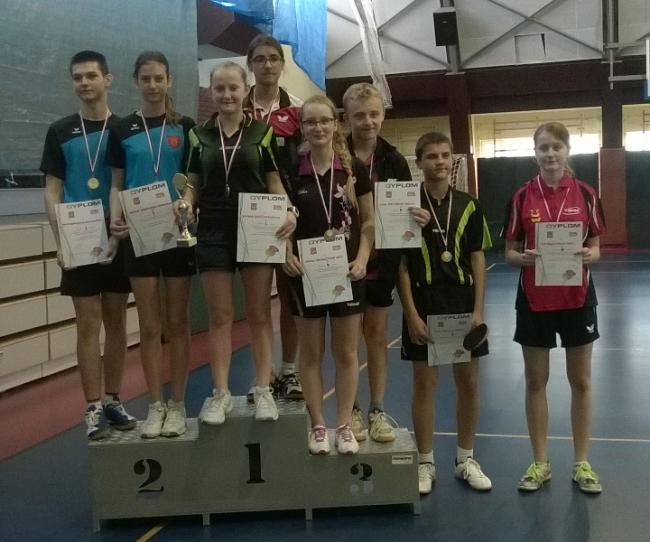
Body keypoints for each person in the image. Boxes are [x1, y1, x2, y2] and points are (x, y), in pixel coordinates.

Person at [179, 61, 296, 424]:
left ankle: (262, 389)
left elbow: (273, 181)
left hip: (257, 229)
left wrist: (289, 210)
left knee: (259, 313)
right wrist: (185, 203)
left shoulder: (262, 133)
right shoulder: (198, 135)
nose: (227, 94)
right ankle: (220, 394)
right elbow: (192, 183)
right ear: (211, 92)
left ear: (246, 89)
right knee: (220, 316)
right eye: (220, 88)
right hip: (213, 229)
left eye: (233, 87)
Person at [503, 121, 605, 494]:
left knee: (581, 381)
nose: (550, 154)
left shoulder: (586, 194)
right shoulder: (521, 197)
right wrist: (524, 259)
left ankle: (581, 463)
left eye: (556, 147)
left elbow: (596, 247)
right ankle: (540, 462)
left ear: (566, 151)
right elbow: (509, 252)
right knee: (535, 382)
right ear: (535, 153)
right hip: (534, 299)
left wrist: (589, 255)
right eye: (543, 147)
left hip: (577, 298)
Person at [41, 50, 135, 441]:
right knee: (87, 323)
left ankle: (113, 399)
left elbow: (127, 182)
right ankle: (93, 406)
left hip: (116, 236)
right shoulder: (60, 131)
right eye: (77, 77)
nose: (84, 83)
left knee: (117, 322)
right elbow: (52, 190)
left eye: (91, 76)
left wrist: (124, 225)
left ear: (107, 80)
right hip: (78, 238)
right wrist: (59, 240)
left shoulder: (124, 129)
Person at [107, 51, 196, 439]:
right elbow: (116, 183)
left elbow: (191, 180)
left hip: (177, 232)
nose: (153, 85)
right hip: (138, 234)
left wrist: (187, 204)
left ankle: (178, 404)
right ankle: (155, 405)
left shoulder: (185, 126)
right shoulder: (122, 128)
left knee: (178, 323)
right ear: (136, 82)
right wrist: (115, 218)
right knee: (149, 325)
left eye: (159, 78)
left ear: (169, 80)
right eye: (146, 79)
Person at [397, 132, 492, 494]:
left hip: (462, 303)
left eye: (444, 155)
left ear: (452, 161)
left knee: (468, 383)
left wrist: (478, 310)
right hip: (424, 302)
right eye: (431, 156)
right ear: (419, 162)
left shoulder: (469, 205)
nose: (439, 161)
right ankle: (425, 463)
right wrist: (410, 313)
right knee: (425, 384)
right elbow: (401, 265)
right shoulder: (405, 206)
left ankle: (465, 459)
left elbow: (477, 258)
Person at [283, 95, 374, 455]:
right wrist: (286, 255)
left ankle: (344, 425)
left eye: (324, 121)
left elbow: (369, 223)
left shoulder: (354, 170)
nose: (318, 128)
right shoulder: (292, 171)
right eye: (310, 122)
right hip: (305, 275)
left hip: (347, 273)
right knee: (311, 353)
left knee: (347, 353)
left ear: (336, 124)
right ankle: (318, 424)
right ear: (302, 127)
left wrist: (363, 259)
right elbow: (281, 224)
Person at [342, 82, 430, 443]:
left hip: (383, 261)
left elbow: (405, 210)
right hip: (344, 260)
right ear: (347, 118)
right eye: (360, 115)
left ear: (383, 116)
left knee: (376, 335)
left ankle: (377, 408)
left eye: (374, 114)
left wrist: (417, 218)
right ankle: (350, 409)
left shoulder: (394, 160)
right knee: (348, 342)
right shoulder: (335, 154)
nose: (368, 121)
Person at [244, 34, 303, 400]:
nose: (267, 64)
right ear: (250, 64)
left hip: (288, 217)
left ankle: (290, 372)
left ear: (282, 64)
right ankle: (263, 376)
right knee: (257, 304)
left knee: (290, 298)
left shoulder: (297, 111)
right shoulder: (236, 108)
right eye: (260, 58)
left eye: (273, 58)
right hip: (248, 218)